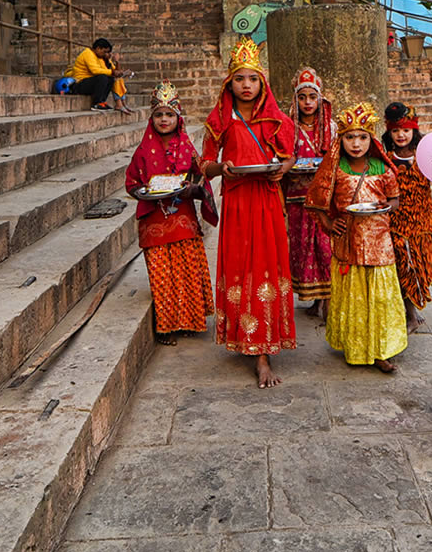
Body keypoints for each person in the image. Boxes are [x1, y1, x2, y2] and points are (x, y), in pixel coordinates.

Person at [200, 37, 297, 388]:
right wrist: (220, 168)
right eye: (240, 78)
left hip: (268, 200)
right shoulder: (220, 119)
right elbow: (204, 164)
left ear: (262, 83)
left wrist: (282, 169)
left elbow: (289, 157)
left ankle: (263, 351)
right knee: (242, 265)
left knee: (266, 266)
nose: (246, 85)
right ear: (230, 82)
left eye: (252, 79)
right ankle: (245, 335)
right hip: (238, 202)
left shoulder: (277, 120)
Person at [306, 102, 407, 373]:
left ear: (371, 139)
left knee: (380, 297)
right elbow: (315, 203)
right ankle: (355, 346)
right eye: (349, 137)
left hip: (379, 241)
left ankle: (381, 350)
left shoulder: (382, 168)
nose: (356, 143)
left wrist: (382, 208)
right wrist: (329, 224)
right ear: (341, 139)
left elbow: (395, 201)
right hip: (348, 242)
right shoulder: (334, 169)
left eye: (362, 137)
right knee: (355, 295)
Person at [125, 80, 217, 345]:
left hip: (183, 218)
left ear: (179, 118)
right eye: (158, 115)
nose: (164, 120)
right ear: (151, 118)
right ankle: (167, 327)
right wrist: (143, 192)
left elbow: (202, 182)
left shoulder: (188, 148)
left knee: (187, 270)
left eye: (169, 115)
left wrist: (193, 190)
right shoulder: (142, 151)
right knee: (162, 274)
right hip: (155, 221)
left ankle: (190, 321)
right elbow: (131, 183)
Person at [382, 102, 432, 332]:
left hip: (422, 223)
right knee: (403, 267)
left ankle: (413, 306)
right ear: (389, 132)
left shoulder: (425, 157)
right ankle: (409, 313)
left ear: (414, 131)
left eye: (406, 131)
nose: (401, 135)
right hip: (397, 223)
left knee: (420, 268)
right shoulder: (385, 159)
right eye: (396, 131)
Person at [283, 67, 335, 318]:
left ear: (320, 99)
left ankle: (327, 300)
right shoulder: (287, 128)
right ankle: (314, 298)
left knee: (325, 248)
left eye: (312, 98)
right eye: (302, 97)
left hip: (323, 198)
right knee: (303, 249)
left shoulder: (331, 128)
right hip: (297, 197)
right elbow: (282, 157)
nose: (307, 103)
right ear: (296, 99)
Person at [64, 38, 122, 111]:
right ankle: (96, 103)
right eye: (104, 52)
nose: (106, 54)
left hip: (91, 83)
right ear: (98, 48)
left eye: (107, 52)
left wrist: (117, 62)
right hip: (80, 83)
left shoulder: (100, 57)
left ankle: (102, 102)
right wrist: (112, 72)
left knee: (110, 79)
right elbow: (95, 70)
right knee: (102, 77)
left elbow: (113, 71)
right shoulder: (87, 53)